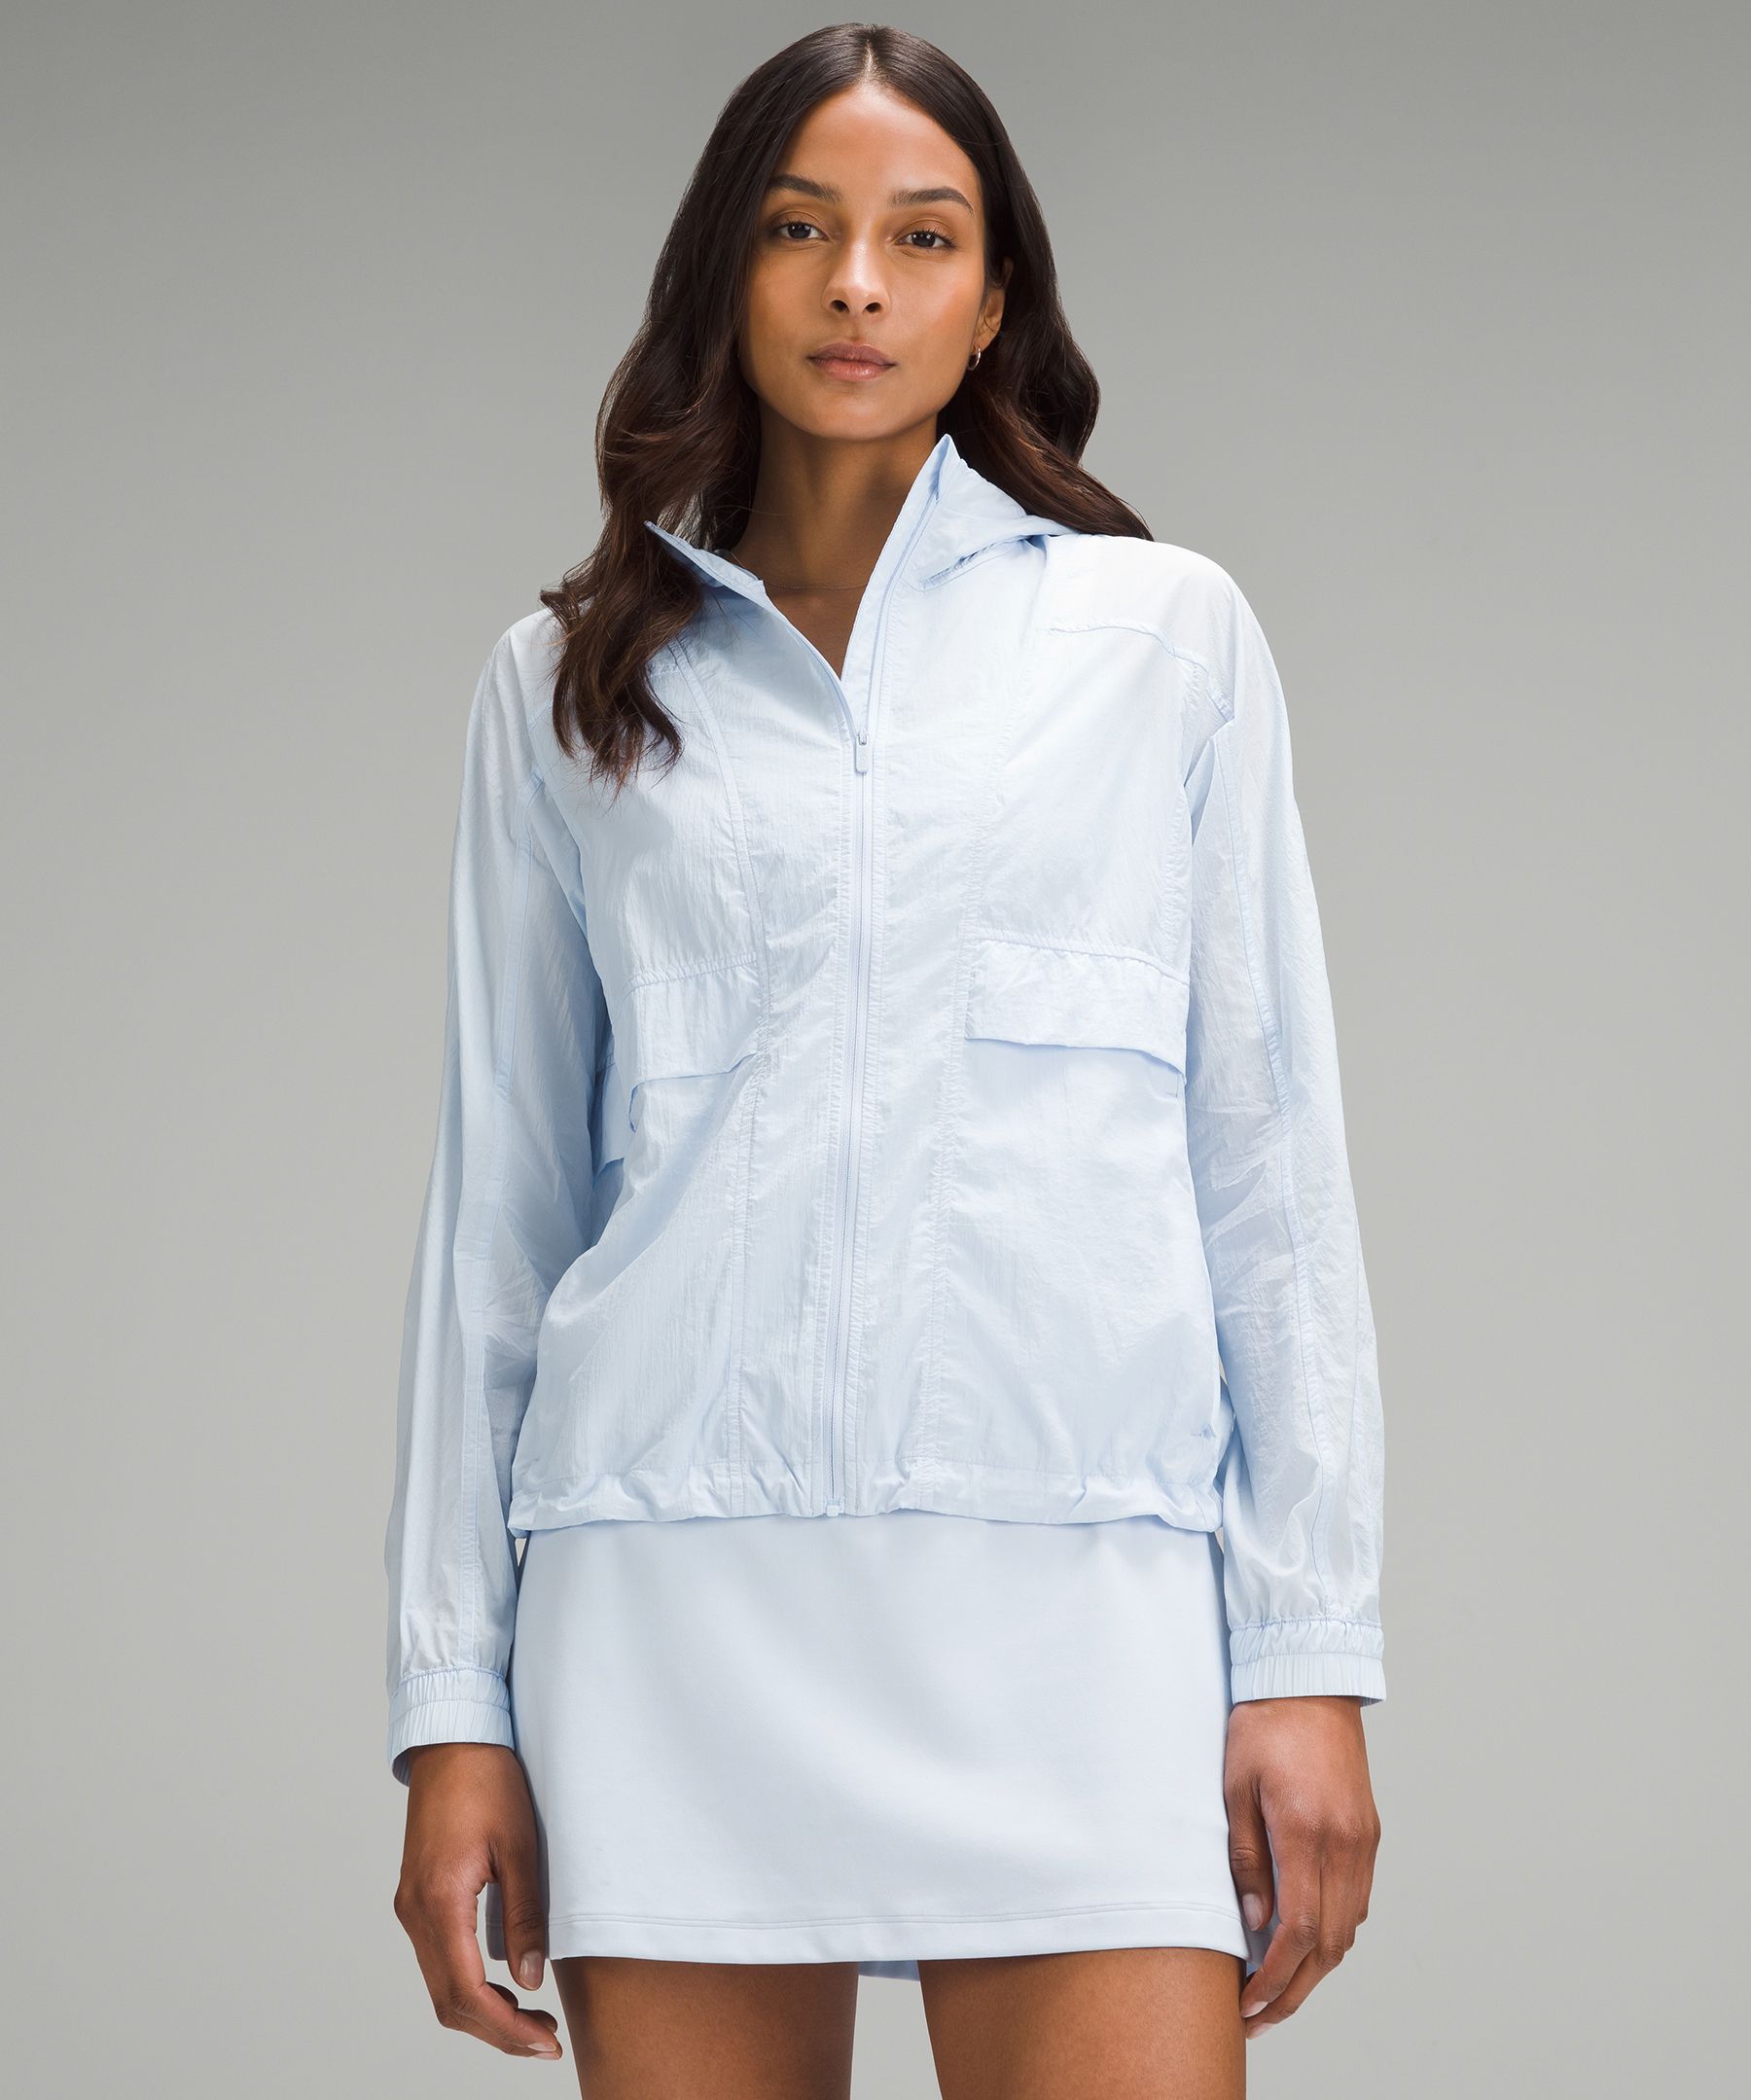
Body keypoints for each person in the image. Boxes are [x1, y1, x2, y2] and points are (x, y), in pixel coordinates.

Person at [383, 22, 1386, 2095]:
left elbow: (1267, 1178)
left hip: (1079, 1601)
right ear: (723, 271)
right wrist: (453, 1710)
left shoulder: (1163, 643)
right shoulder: (565, 685)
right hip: (668, 1609)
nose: (857, 285)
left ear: (994, 295)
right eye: (799, 229)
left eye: (922, 236)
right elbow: (499, 1221)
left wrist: (1308, 1653)